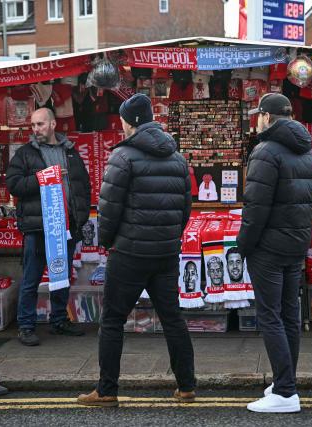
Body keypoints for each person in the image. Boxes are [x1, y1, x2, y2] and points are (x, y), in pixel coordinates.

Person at [77, 94, 196, 407]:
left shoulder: (123, 156)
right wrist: (169, 237)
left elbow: (108, 209)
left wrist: (107, 241)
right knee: (173, 319)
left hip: (129, 253)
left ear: (128, 122)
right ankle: (186, 386)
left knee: (113, 320)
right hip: (166, 253)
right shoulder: (177, 158)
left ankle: (106, 390)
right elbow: (186, 209)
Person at [237, 93, 312, 413]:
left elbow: (254, 208)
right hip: (295, 244)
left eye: (258, 115)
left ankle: (284, 392)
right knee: (289, 315)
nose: (256, 120)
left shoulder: (265, 151)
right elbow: (311, 202)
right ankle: (286, 382)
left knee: (269, 316)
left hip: (268, 247)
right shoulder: (307, 152)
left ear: (267, 117)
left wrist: (243, 246)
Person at [6, 107, 91, 346]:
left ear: (53, 125)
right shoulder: (25, 154)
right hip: (38, 227)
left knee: (61, 276)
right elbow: (13, 184)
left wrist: (80, 216)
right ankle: (26, 325)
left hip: (66, 226)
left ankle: (59, 320)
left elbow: (83, 185)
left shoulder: (70, 152)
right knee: (31, 278)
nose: (36, 130)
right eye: (33, 125)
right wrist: (41, 178)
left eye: (40, 124)